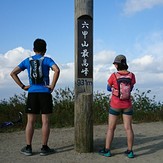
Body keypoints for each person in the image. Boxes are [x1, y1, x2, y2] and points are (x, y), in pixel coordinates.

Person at [10, 38, 60, 156]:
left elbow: (13, 73)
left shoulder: (27, 61)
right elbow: (57, 70)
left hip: (32, 92)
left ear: (33, 49)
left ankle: (28, 147)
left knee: (30, 122)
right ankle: (44, 147)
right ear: (45, 49)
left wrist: (23, 86)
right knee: (45, 122)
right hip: (45, 92)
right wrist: (52, 86)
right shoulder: (47, 60)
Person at [99, 54, 136, 158]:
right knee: (128, 128)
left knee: (111, 128)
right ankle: (130, 151)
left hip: (115, 104)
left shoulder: (114, 76)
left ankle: (107, 150)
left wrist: (114, 89)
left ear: (117, 64)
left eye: (115, 63)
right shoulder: (132, 75)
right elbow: (131, 88)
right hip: (127, 104)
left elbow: (108, 88)